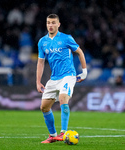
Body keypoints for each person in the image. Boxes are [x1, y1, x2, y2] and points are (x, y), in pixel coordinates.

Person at [36, 14, 87, 143]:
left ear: (58, 24)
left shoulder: (66, 38)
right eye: (48, 23)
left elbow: (80, 52)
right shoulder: (42, 42)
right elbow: (41, 62)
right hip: (54, 79)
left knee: (63, 98)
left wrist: (84, 72)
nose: (50, 25)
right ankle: (53, 136)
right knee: (44, 107)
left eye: (53, 23)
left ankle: (63, 133)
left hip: (68, 75)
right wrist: (38, 81)